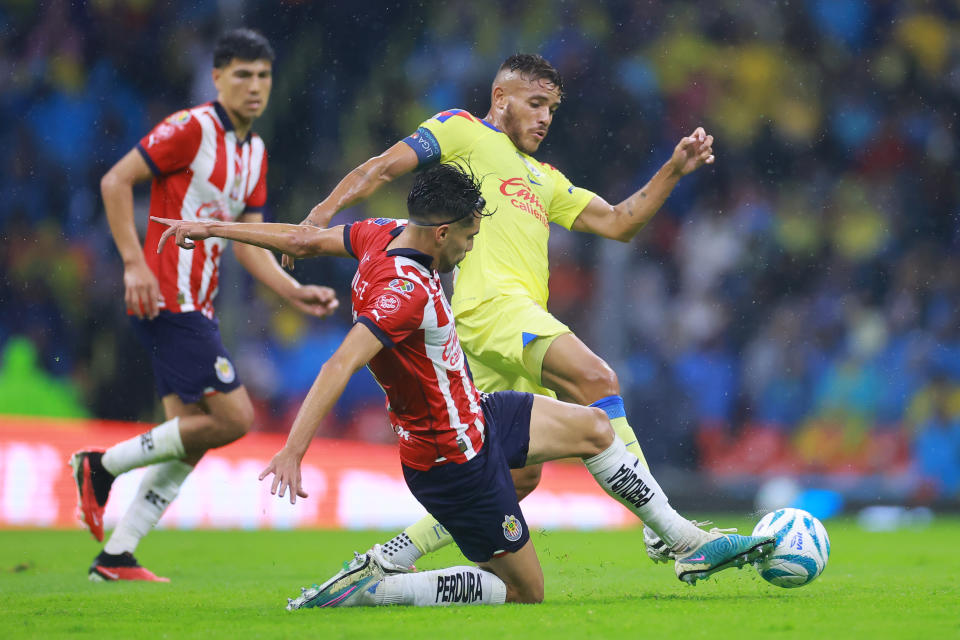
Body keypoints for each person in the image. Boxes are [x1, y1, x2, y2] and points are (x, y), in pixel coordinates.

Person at [153, 162, 773, 608]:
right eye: (472, 236)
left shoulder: (379, 234)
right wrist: (291, 450)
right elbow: (339, 364)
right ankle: (384, 586)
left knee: (594, 425)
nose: (473, 248)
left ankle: (685, 542)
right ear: (444, 231)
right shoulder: (406, 295)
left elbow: (302, 238)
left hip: (477, 414)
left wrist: (213, 231)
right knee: (523, 592)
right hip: (452, 459)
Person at [285, 53, 716, 568]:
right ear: (500, 98)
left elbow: (620, 222)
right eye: (534, 103)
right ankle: (666, 530)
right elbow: (381, 167)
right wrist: (321, 214)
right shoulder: (462, 131)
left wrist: (672, 170)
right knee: (596, 379)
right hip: (491, 307)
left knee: (516, 472)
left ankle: (393, 556)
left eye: (552, 108)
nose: (544, 118)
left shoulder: (546, 179)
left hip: (506, 326)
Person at [69, 28, 339, 582]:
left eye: (263, 75)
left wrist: (293, 290)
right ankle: (99, 466)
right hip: (169, 296)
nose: (255, 86)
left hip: (199, 303)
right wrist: (132, 262)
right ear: (217, 78)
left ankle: (116, 555)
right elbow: (115, 180)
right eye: (242, 74)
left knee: (190, 436)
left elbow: (249, 244)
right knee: (234, 418)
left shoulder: (255, 152)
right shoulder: (193, 129)